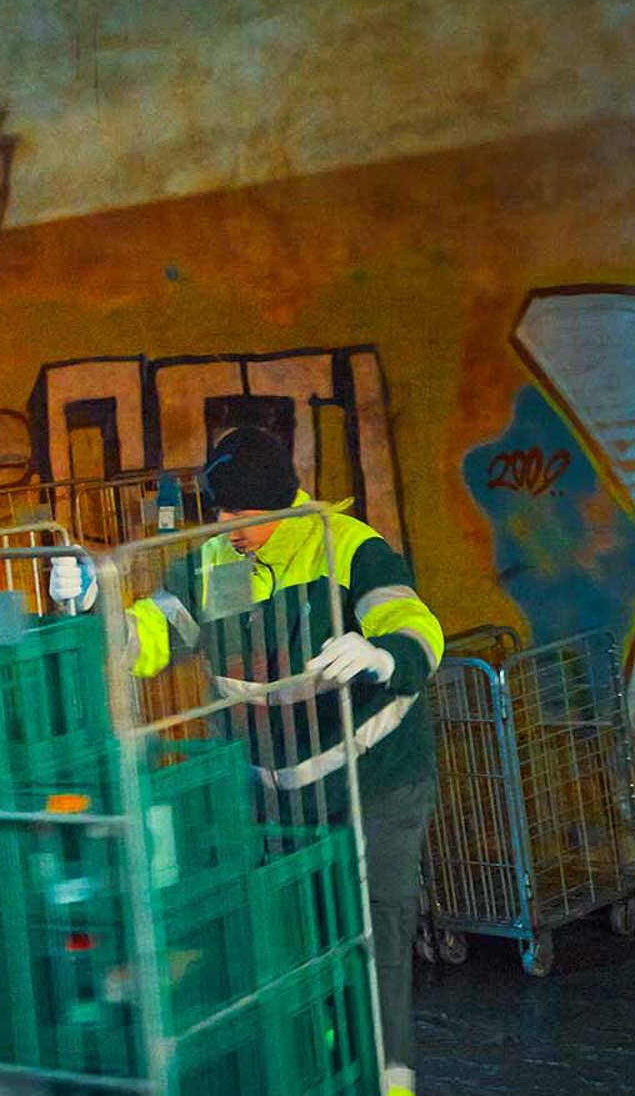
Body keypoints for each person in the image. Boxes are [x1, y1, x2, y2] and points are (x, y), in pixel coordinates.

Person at [67, 427, 442, 1096]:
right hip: (280, 793)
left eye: (243, 514)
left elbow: (411, 622)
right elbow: (160, 632)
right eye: (221, 512)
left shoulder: (348, 548)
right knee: (289, 937)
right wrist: (101, 616)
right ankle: (321, 1067)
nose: (228, 527)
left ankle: (391, 1081)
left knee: (375, 930)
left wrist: (386, 656)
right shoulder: (222, 564)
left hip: (378, 779)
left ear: (281, 501)